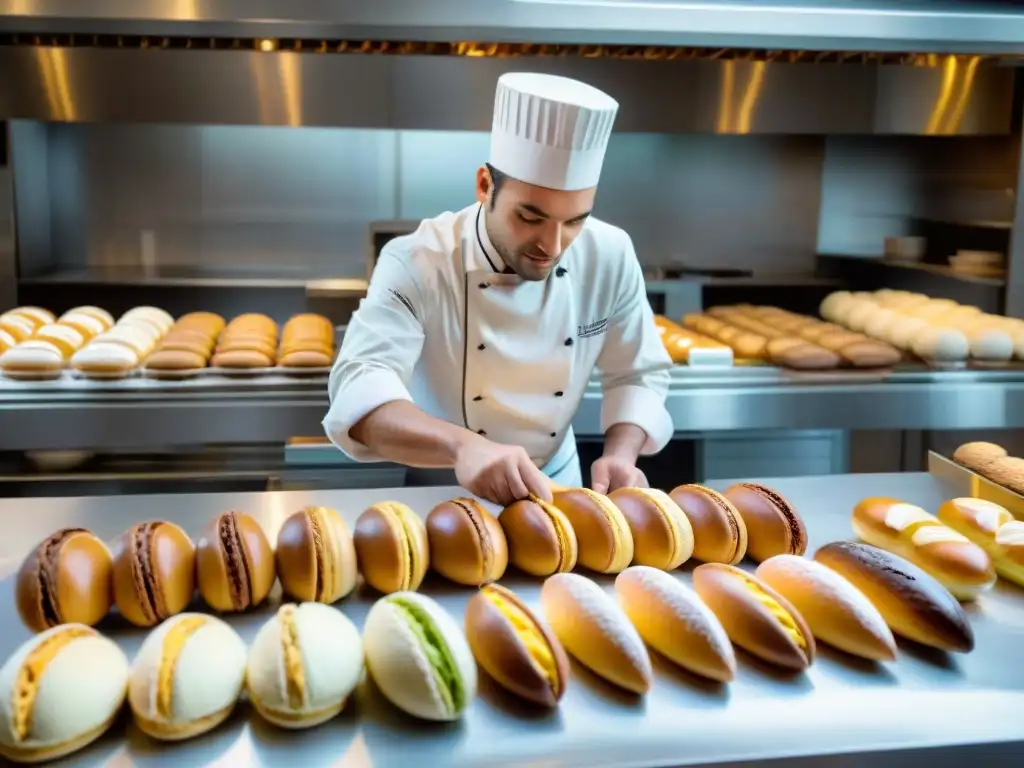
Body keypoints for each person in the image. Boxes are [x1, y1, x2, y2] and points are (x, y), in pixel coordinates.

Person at [323, 72, 673, 506]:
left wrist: (622, 453)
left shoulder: (610, 253)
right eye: (530, 218)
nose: (553, 245)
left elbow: (637, 372)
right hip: (446, 491)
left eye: (575, 221)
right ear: (485, 185)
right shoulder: (418, 261)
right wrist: (462, 447)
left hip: (558, 488)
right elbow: (360, 387)